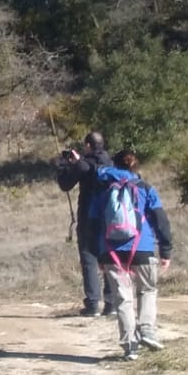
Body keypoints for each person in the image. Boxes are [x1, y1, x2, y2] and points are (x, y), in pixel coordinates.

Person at [94, 148, 173, 360]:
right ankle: (147, 329)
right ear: (135, 165)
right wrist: (165, 249)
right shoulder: (146, 188)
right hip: (143, 247)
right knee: (147, 290)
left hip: (111, 252)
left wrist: (98, 255)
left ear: (113, 166)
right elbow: (161, 220)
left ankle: (130, 345)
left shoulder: (102, 192)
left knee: (122, 299)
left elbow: (93, 226)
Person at [55, 131, 114, 315]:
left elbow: (65, 184)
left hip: (89, 216)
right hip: (110, 216)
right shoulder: (110, 162)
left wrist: (64, 164)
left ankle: (93, 303)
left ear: (88, 145)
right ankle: (111, 303)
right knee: (108, 257)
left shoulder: (84, 165)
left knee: (88, 257)